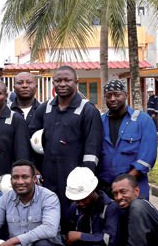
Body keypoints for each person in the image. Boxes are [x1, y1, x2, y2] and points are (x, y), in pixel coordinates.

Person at [27, 65, 103, 212]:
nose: (62, 84)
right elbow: (31, 136)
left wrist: (85, 177)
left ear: (76, 82)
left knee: (72, 214)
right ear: (53, 83)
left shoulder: (88, 110)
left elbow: (92, 148)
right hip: (48, 173)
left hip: (74, 173)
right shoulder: (45, 108)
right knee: (49, 211)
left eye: (67, 80)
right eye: (58, 80)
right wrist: (34, 167)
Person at [99, 79, 158, 199]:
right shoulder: (99, 122)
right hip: (105, 191)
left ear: (126, 95)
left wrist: (124, 183)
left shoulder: (143, 120)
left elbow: (148, 156)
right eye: (108, 95)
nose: (113, 98)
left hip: (134, 188)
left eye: (117, 94)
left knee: (134, 217)